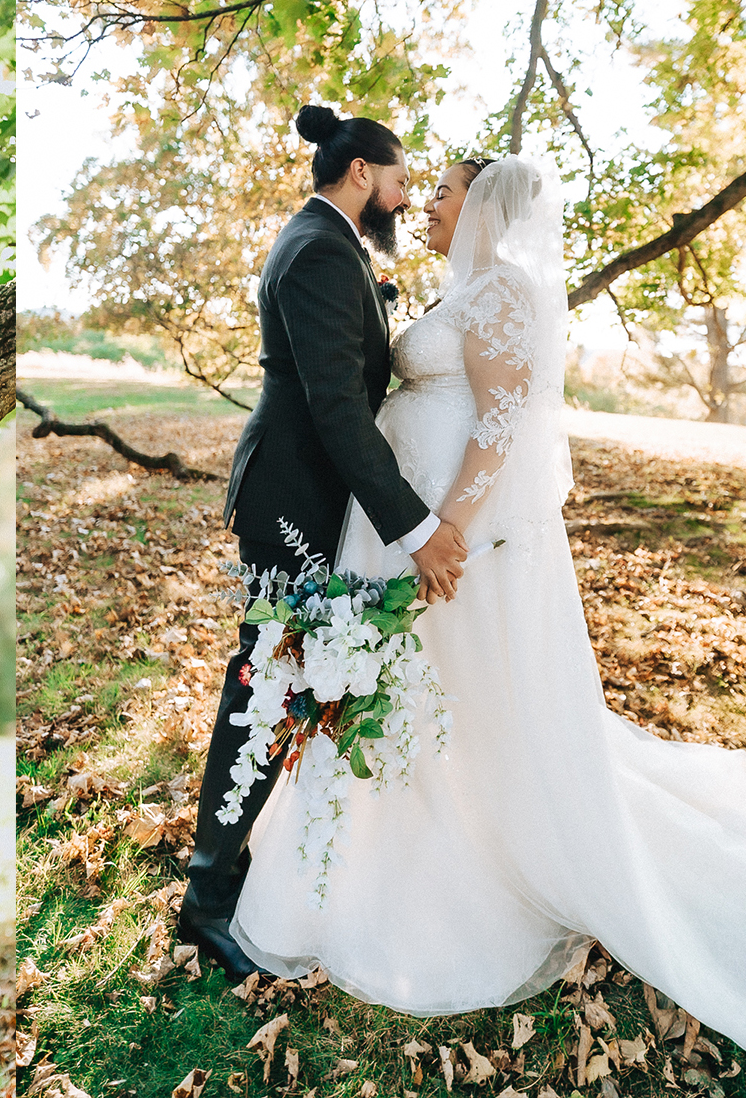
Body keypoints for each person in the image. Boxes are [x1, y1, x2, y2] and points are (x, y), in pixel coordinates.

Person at [228, 155, 746, 1072]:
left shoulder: (504, 290)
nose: (426, 204)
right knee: (409, 688)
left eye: (441, 191)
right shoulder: (457, 291)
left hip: (447, 529)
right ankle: (370, 858)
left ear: (482, 205)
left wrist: (450, 531)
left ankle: (465, 856)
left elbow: (502, 419)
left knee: (459, 692)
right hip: (402, 519)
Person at [182, 103, 469, 979]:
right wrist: (416, 528)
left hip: (307, 493)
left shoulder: (327, 243)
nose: (406, 198)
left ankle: (230, 866)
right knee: (263, 680)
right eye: (401, 182)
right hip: (292, 497)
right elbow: (337, 409)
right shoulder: (316, 251)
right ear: (361, 174)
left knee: (281, 673)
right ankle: (208, 898)